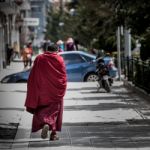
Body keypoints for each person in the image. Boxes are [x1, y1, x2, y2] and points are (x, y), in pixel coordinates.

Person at [24, 44, 67, 141]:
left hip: (41, 91)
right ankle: (53, 133)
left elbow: (33, 74)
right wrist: (62, 88)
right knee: (55, 112)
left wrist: (32, 87)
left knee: (40, 110)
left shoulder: (39, 58)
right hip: (56, 91)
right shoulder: (59, 59)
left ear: (47, 50)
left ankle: (45, 124)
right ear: (57, 51)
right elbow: (63, 76)